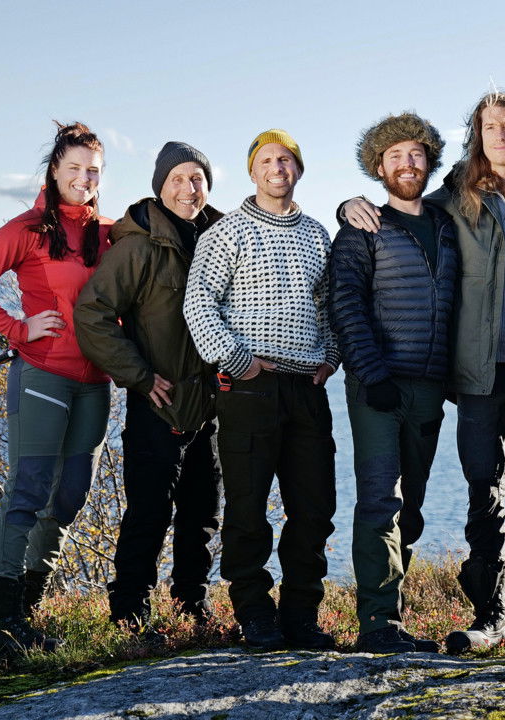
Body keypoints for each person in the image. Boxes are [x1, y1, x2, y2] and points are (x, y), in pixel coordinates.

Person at [342, 90, 505, 653]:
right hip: (482, 371)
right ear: (476, 136)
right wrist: (349, 206)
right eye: (489, 127)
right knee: (484, 491)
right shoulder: (454, 198)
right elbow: (401, 202)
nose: (501, 135)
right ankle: (491, 618)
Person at [0, 121, 113, 653]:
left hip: (96, 382)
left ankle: (27, 612)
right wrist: (18, 330)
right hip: (43, 373)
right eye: (75, 168)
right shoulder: (28, 229)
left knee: (68, 497)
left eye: (93, 170)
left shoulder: (109, 232)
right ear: (55, 170)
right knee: (28, 490)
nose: (84, 178)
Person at [183, 129, 340, 651]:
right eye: (267, 160)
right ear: (252, 171)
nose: (278, 168)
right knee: (248, 509)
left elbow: (330, 307)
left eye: (287, 159)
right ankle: (254, 614)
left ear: (299, 169)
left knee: (314, 508)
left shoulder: (317, 235)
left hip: (307, 389)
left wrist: (331, 356)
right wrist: (236, 360)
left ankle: (301, 615)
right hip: (249, 387)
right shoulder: (227, 232)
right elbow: (198, 303)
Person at [75, 141, 222, 632]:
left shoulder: (221, 238)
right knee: (148, 515)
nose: (188, 188)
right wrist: (138, 375)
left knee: (202, 514)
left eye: (197, 178)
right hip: (157, 406)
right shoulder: (139, 246)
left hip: (210, 406)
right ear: (160, 187)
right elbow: (92, 314)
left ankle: (191, 607)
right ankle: (130, 615)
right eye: (177, 179)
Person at [330, 112, 457, 654]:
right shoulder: (362, 227)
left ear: (429, 162)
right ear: (378, 167)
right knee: (381, 499)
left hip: (429, 387)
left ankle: (394, 618)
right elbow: (344, 303)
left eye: (416, 154)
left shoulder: (449, 224)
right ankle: (377, 623)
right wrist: (372, 372)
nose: (408, 164)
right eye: (396, 156)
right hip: (377, 387)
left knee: (413, 506)